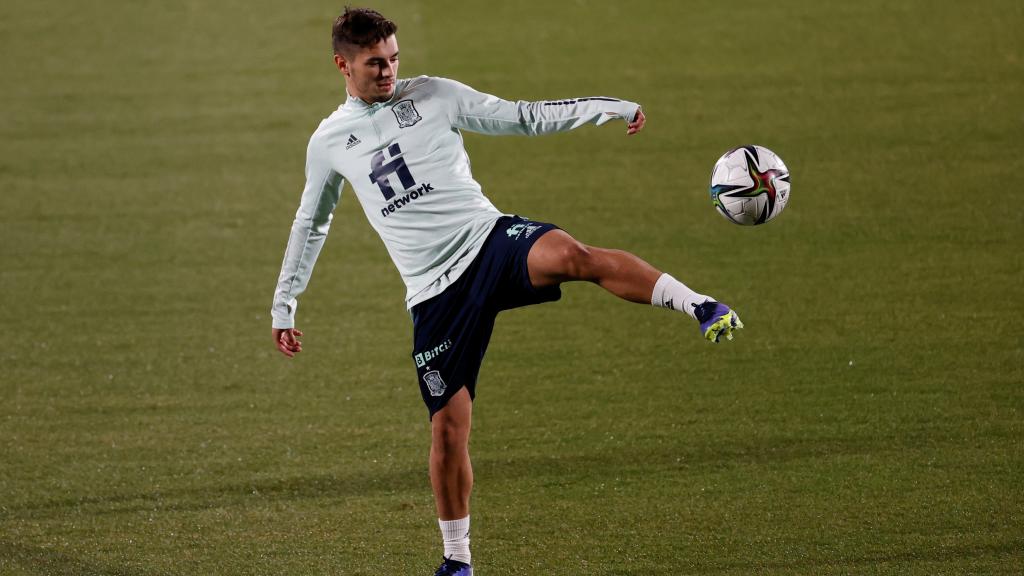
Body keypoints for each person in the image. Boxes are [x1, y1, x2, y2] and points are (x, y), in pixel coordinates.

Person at [270, 8, 742, 576]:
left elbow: (522, 116)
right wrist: (284, 304)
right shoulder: (327, 142)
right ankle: (457, 560)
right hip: (433, 294)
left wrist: (607, 107)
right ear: (342, 65)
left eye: (394, 58)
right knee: (448, 430)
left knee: (574, 256)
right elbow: (310, 223)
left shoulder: (436, 95)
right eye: (375, 63)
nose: (389, 71)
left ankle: (698, 304)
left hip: (488, 242)